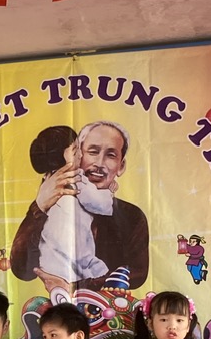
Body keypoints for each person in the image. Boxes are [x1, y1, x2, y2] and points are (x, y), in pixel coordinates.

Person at [11, 120, 149, 296]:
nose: (99, 163)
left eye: (110, 155)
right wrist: (39, 207)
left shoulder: (132, 216)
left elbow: (137, 273)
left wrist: (78, 286)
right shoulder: (46, 203)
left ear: (120, 167)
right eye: (92, 152)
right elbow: (23, 269)